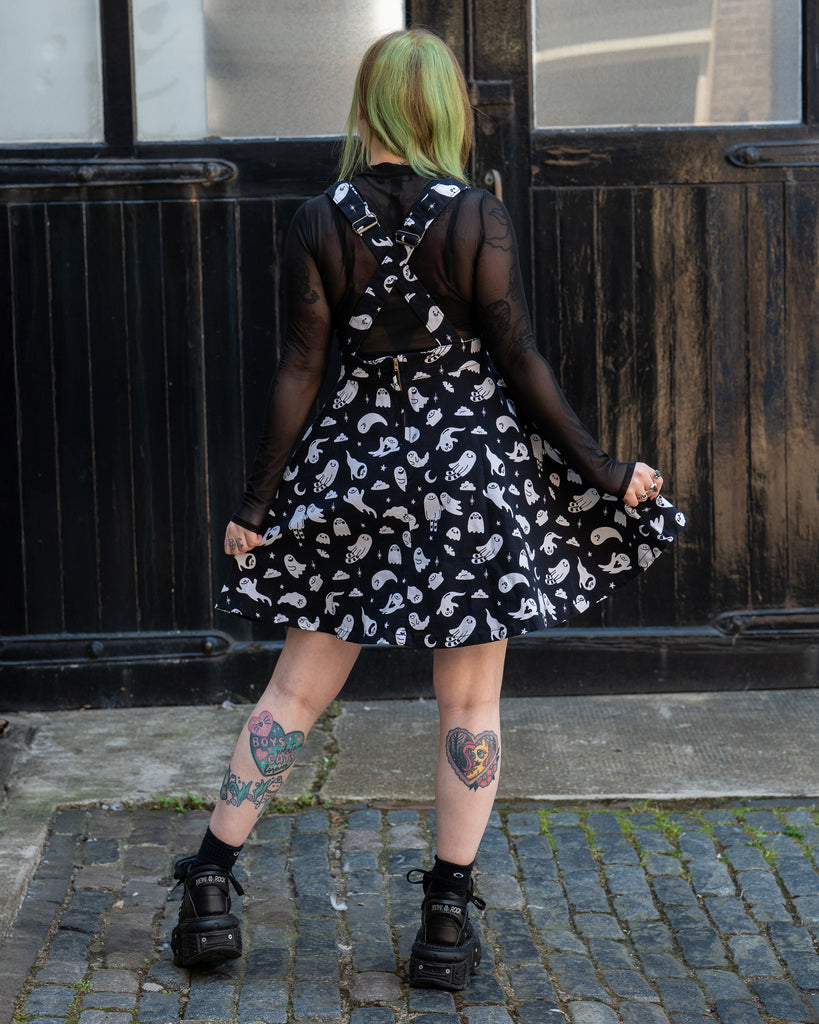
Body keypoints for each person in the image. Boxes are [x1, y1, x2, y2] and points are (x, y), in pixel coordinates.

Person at [169, 28, 685, 990]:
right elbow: (520, 359)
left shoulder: (319, 217)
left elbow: (299, 367)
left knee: (292, 692)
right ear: (445, 108)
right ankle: (445, 924)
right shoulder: (476, 215)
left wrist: (256, 502)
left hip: (356, 465)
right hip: (467, 473)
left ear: (365, 105)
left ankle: (208, 886)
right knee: (470, 701)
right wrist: (605, 470)